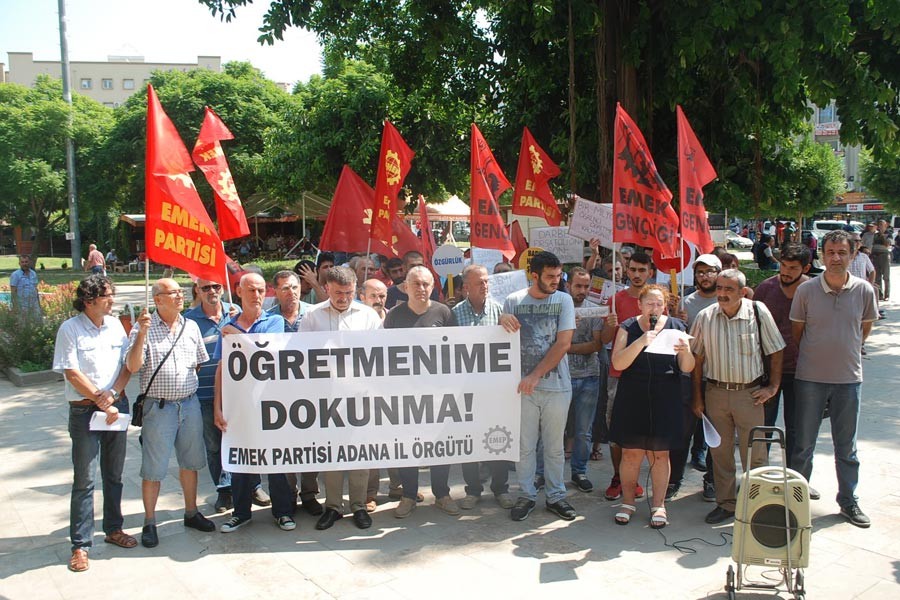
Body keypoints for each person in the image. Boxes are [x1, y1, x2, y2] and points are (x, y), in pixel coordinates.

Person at [790, 230, 878, 528]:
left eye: (842, 252)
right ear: (822, 255)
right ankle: (795, 501)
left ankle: (848, 500)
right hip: (810, 378)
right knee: (803, 445)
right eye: (830, 252)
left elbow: (864, 329)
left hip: (848, 379)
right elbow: (798, 333)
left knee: (847, 446)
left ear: (852, 254)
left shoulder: (865, 290)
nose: (836, 257)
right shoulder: (807, 291)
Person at [125, 279, 216, 548]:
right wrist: (141, 334)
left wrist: (182, 386)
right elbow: (132, 366)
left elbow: (199, 363)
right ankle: (150, 521)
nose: (179, 296)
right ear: (157, 299)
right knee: (154, 467)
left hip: (189, 404)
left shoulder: (191, 326)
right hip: (158, 407)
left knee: (191, 461)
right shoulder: (143, 328)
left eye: (180, 292)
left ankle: (191, 512)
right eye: (172, 293)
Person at [52, 275, 135, 572]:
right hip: (85, 412)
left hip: (116, 406)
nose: (112, 300)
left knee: (114, 475)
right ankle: (81, 545)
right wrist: (101, 401)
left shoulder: (115, 326)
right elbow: (71, 372)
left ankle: (114, 529)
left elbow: (127, 365)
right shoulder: (70, 329)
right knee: (85, 480)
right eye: (107, 296)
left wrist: (112, 396)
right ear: (89, 300)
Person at [690, 269, 785, 525]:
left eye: (729, 289)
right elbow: (696, 360)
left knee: (755, 454)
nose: (722, 293)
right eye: (719, 288)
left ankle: (757, 507)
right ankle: (727, 504)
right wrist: (697, 398)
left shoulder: (757, 312)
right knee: (720, 454)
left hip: (750, 395)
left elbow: (776, 351)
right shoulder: (704, 317)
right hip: (716, 394)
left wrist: (773, 387)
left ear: (743, 292)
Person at [212, 273, 297, 534]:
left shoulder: (274, 322)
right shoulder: (228, 324)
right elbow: (221, 367)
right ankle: (241, 513)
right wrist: (218, 406)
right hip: (239, 406)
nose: (256, 295)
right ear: (239, 291)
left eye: (261, 290)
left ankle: (282, 512)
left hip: (271, 403)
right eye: (251, 290)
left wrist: (233, 333)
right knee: (242, 460)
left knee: (276, 460)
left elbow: (266, 353)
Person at [300, 266, 383, 530]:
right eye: (338, 293)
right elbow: (301, 356)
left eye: (348, 293)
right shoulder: (312, 317)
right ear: (326, 289)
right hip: (326, 399)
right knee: (332, 454)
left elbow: (381, 356)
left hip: (361, 395)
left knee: (360, 453)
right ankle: (333, 506)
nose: (344, 298)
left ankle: (359, 506)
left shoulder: (369, 316)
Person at [500, 251, 577, 522]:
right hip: (522, 389)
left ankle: (556, 495)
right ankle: (527, 494)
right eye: (550, 276)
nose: (556, 281)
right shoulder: (513, 301)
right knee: (525, 446)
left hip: (556, 386)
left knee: (554, 447)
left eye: (559, 276)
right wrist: (500, 321)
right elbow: (501, 338)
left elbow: (563, 344)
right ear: (534, 275)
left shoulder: (564, 300)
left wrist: (535, 375)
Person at [609, 285, 694, 528]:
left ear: (664, 306)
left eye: (658, 304)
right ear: (640, 305)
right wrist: (641, 342)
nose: (654, 309)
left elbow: (687, 367)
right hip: (633, 394)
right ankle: (627, 502)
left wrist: (686, 352)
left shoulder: (677, 327)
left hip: (665, 395)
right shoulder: (628, 327)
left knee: (660, 453)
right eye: (649, 304)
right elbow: (618, 362)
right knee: (631, 452)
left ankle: (658, 504)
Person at [385, 266, 459, 518]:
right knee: (408, 446)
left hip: (439, 394)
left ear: (432, 286)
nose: (422, 288)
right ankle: (408, 496)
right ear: (405, 287)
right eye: (416, 284)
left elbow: (458, 352)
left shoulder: (444, 312)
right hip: (405, 395)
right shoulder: (394, 316)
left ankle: (442, 494)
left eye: (426, 284)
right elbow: (385, 355)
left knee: (441, 445)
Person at [184, 278, 249, 514]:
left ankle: (253, 486)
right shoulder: (188, 320)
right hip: (204, 393)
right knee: (213, 445)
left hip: (237, 392)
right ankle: (224, 490)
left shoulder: (236, 312)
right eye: (206, 288)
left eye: (216, 287)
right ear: (197, 291)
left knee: (244, 440)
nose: (212, 291)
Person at [452, 264, 515, 511]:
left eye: (487, 281)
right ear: (466, 287)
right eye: (479, 282)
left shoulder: (501, 311)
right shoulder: (454, 314)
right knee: (469, 442)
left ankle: (501, 489)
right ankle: (473, 490)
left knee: (498, 439)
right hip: (465, 390)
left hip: (495, 391)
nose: (485, 286)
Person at [599, 252, 656, 501]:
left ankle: (632, 478)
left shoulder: (658, 300)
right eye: (632, 269)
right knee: (616, 430)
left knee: (642, 430)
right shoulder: (615, 300)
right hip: (619, 375)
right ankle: (617, 477)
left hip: (649, 376)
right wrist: (610, 325)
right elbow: (603, 340)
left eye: (642, 270)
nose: (636, 274)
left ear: (650, 272)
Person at [753, 243, 811, 477]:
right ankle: (758, 479)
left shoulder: (812, 290)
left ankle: (798, 481)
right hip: (767, 372)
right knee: (763, 428)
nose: (785, 272)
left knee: (799, 431)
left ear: (806, 267)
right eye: (783, 265)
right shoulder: (766, 289)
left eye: (793, 268)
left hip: (803, 371)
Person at [267, 270, 321, 516]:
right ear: (276, 291)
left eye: (295, 288)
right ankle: (288, 493)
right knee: (285, 446)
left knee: (310, 445)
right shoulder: (267, 320)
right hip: (278, 395)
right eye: (285, 288)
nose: (291, 293)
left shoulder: (315, 315)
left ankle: (309, 493)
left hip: (311, 392)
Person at [671, 254, 722, 501]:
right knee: (681, 432)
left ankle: (711, 480)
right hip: (690, 375)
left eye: (709, 271)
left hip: (718, 376)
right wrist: (678, 322)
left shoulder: (727, 299)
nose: (704, 276)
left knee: (716, 433)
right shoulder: (686, 301)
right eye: (700, 272)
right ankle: (673, 479)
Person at [559, 267, 605, 494]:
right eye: (578, 286)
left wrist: (565, 347)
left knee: (583, 431)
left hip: (589, 377)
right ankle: (546, 474)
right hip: (560, 377)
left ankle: (579, 471)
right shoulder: (557, 307)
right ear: (568, 285)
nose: (582, 291)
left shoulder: (594, 311)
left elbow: (596, 345)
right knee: (553, 430)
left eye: (586, 286)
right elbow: (550, 341)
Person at [9, 254, 41, 319]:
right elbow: (13, 291)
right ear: (19, 263)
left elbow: (35, 289)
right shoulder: (15, 275)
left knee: (38, 322)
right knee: (23, 325)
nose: (24, 264)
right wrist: (15, 306)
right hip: (22, 305)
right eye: (22, 262)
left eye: (26, 262)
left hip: (34, 303)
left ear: (29, 262)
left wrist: (39, 304)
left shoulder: (33, 273)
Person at [871, 232, 891, 301]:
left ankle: (886, 295)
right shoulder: (874, 236)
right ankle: (880, 294)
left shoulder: (886, 236)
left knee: (885, 276)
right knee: (878, 277)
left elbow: (888, 244)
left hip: (883, 255)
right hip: (876, 255)